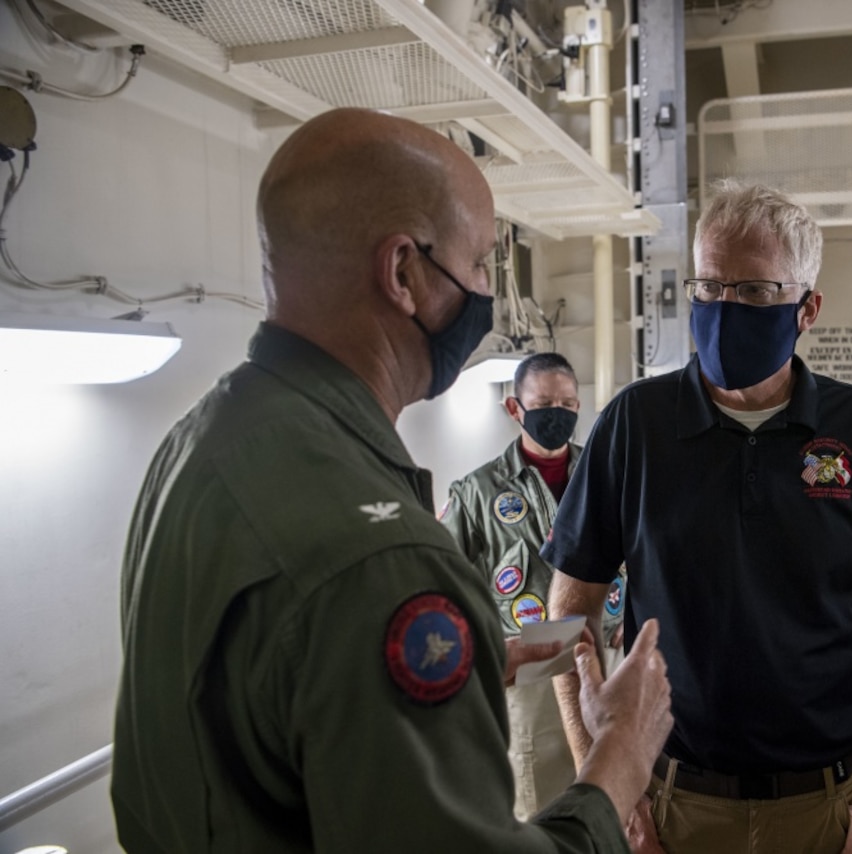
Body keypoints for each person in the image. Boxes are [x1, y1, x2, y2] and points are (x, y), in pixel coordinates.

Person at [110, 107, 671, 853]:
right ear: (403, 272)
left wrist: (469, 658)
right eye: (477, 267)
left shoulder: (199, 446)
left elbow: (265, 697)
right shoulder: (387, 562)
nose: (485, 295)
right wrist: (621, 759)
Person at [542, 181, 852, 854]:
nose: (723, 309)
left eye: (754, 291)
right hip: (668, 802)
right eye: (709, 287)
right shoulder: (637, 424)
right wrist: (605, 792)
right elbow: (571, 619)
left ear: (807, 308)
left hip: (836, 809)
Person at [440, 351, 627, 820]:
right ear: (514, 409)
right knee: (541, 796)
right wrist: (486, 647)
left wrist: (633, 613)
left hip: (604, 653)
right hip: (531, 658)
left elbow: (643, 550)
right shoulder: (478, 491)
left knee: (613, 791)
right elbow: (441, 579)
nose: (556, 414)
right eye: (544, 403)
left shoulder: (603, 473)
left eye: (567, 403)